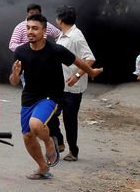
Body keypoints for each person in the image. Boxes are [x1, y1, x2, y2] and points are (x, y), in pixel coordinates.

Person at [9, 14, 102, 180]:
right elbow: (14, 81)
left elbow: (78, 61)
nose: (30, 31)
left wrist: (91, 72)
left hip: (51, 96)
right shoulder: (20, 51)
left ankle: (50, 142)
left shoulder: (55, 50)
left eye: (35, 28)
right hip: (29, 98)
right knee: (28, 136)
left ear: (44, 31)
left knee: (35, 125)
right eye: (28, 28)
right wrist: (15, 75)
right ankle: (43, 167)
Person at [8, 3, 65, 153]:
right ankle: (45, 155)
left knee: (45, 112)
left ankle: (54, 138)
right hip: (28, 70)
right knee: (29, 130)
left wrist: (51, 50)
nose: (30, 30)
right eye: (30, 14)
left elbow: (59, 35)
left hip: (47, 78)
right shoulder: (21, 28)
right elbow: (12, 44)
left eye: (35, 14)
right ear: (26, 14)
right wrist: (27, 49)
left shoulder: (46, 28)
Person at [55, 5, 97, 162]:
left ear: (60, 20)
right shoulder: (63, 35)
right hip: (60, 85)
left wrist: (77, 75)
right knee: (50, 116)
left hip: (72, 88)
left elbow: (90, 58)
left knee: (69, 120)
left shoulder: (76, 36)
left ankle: (73, 150)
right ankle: (59, 142)